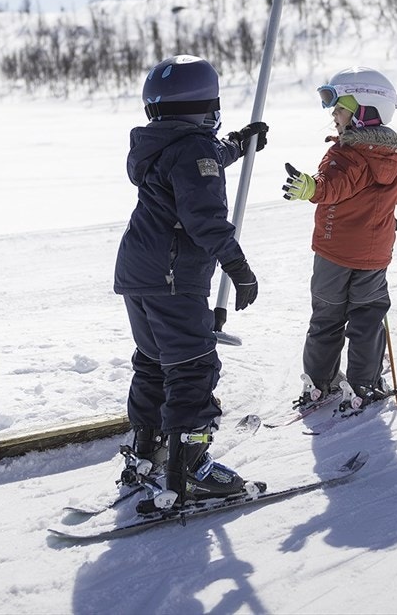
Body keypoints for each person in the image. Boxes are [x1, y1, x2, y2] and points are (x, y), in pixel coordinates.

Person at [113, 54, 268, 513]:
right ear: (206, 105)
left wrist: (239, 145)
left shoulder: (160, 143)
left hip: (138, 273)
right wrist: (239, 269)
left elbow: (201, 157)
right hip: (172, 277)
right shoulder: (193, 149)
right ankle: (189, 472)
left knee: (154, 363)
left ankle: (147, 454)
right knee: (194, 369)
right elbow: (205, 220)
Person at [282, 66, 397, 412]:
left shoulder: (346, 153)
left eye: (338, 105)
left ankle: (320, 383)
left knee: (327, 317)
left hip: (333, 252)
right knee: (367, 317)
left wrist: (312, 187)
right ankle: (364, 384)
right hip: (374, 255)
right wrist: (379, 204)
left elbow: (332, 187)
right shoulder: (396, 156)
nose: (333, 114)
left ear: (364, 109)